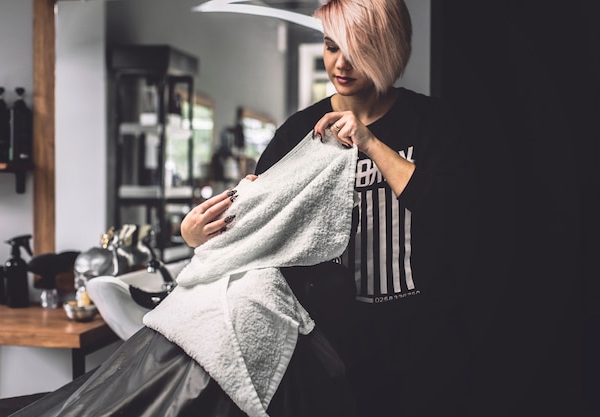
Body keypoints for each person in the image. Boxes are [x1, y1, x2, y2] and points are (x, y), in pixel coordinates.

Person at [185, 1, 473, 416]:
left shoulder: (431, 122)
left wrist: (370, 142)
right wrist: (197, 237)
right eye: (331, 46)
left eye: (355, 50)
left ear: (386, 48)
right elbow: (256, 229)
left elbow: (452, 215)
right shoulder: (298, 134)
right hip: (337, 345)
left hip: (427, 339)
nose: (340, 63)